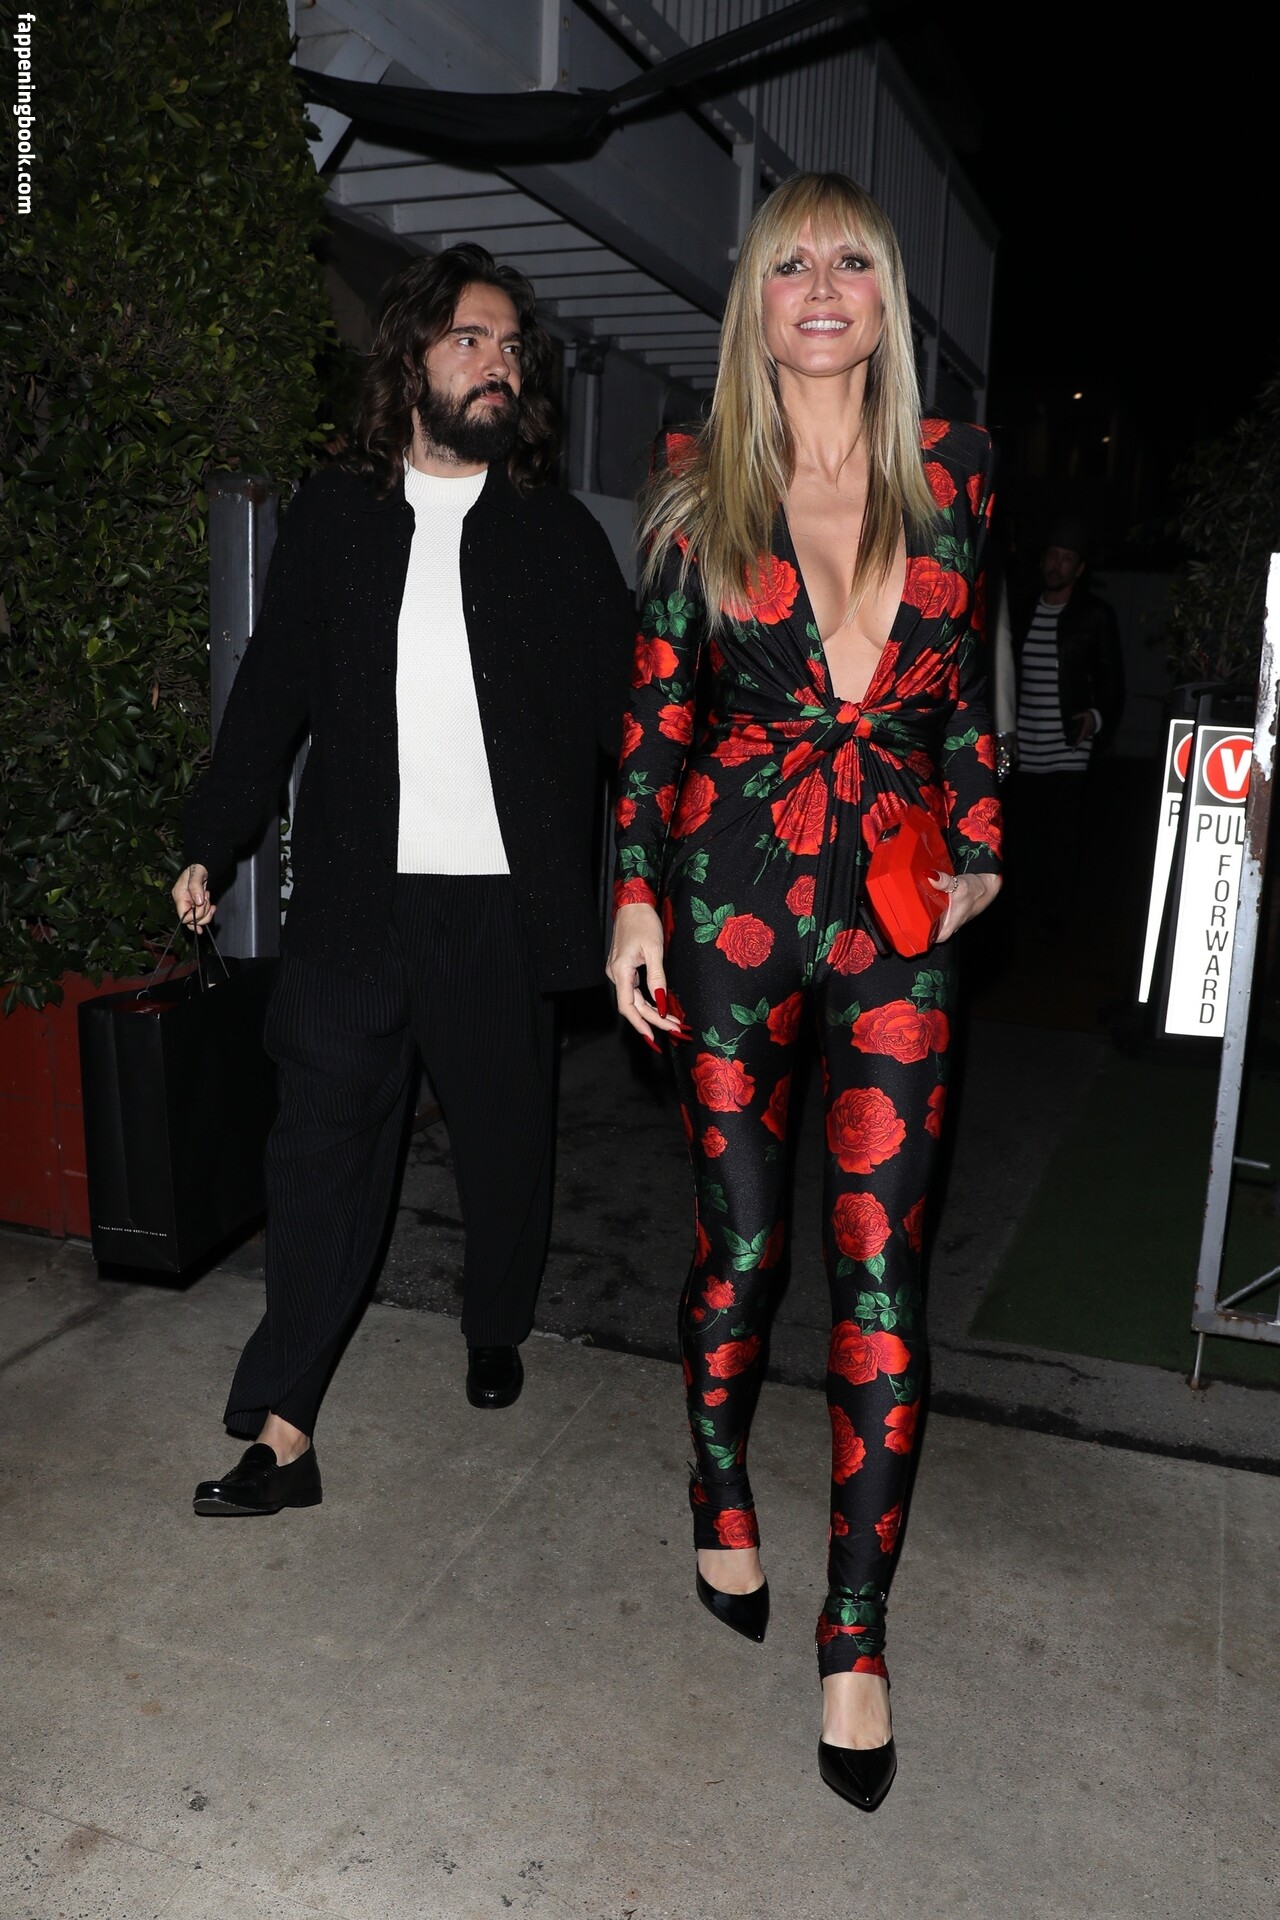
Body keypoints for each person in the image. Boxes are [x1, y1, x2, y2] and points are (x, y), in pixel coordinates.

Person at [606, 172, 1001, 1813]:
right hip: (730, 904)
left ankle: (855, 1635)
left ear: (886, 300)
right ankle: (715, 1474)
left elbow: (964, 704)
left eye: (852, 259)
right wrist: (633, 894)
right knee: (748, 1247)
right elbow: (655, 719)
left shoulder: (954, 475)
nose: (823, 285)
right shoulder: (698, 489)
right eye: (791, 264)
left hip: (898, 915)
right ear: (754, 305)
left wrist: (985, 846)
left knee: (880, 1279)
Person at [173, 244, 631, 1516]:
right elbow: (270, 693)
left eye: (511, 348)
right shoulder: (338, 517)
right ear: (412, 357)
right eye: (472, 340)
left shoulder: (553, 537)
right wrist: (211, 837)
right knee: (317, 1155)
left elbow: (635, 722)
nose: (498, 365)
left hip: (497, 905)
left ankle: (495, 1321)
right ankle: (282, 1429)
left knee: (502, 1140)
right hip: (354, 897)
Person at [1005, 515, 1124, 929]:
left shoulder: (1095, 616)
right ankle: (1024, 913)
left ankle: (1057, 920)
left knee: (1063, 837)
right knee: (1024, 835)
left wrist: (1094, 718)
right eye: (1052, 556)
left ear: (1080, 568)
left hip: (1068, 746)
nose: (1057, 565)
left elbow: (1112, 681)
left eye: (1067, 558)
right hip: (1023, 747)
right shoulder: (1020, 611)